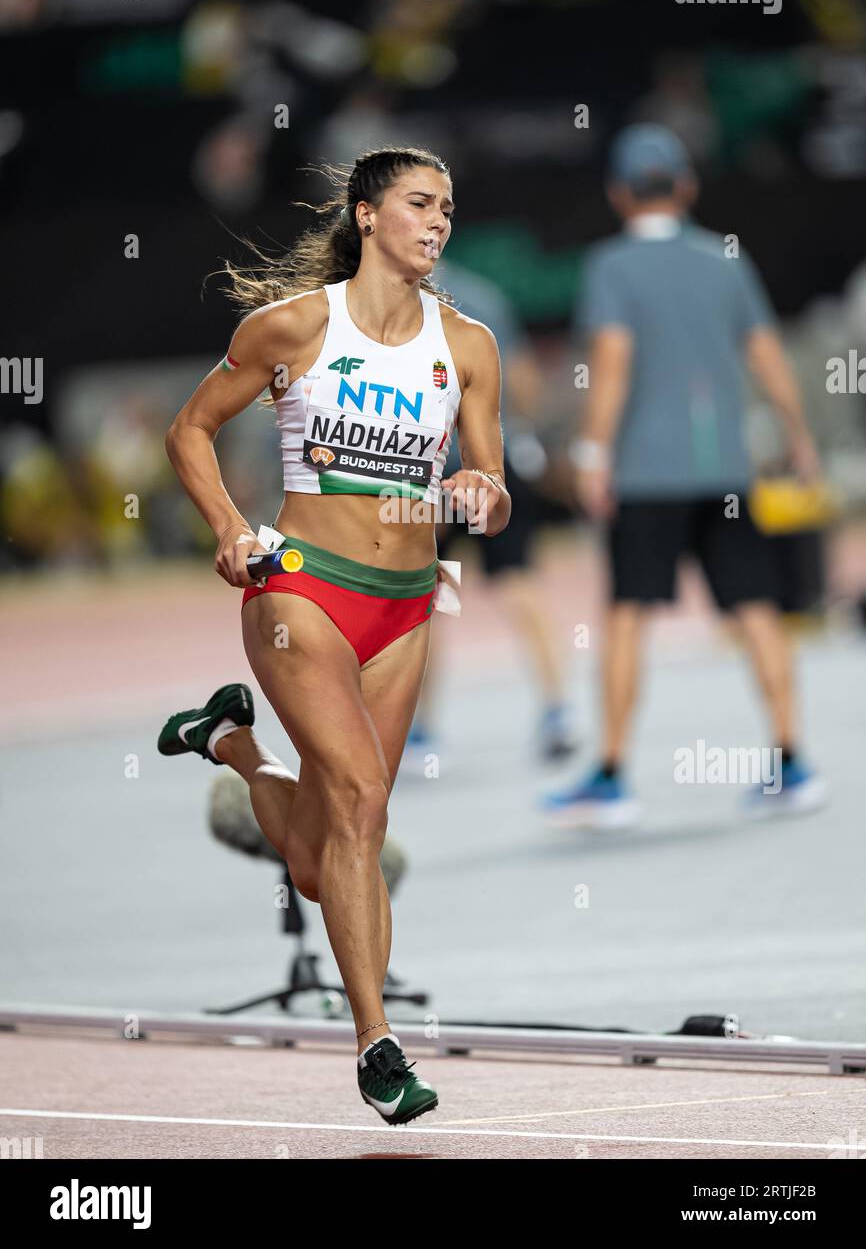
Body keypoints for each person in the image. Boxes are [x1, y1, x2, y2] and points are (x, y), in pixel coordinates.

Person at [157, 146, 511, 1122]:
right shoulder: (292, 328)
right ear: (366, 215)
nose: (435, 221)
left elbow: (489, 479)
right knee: (358, 803)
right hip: (299, 592)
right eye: (415, 204)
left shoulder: (468, 343)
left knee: (321, 860)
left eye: (446, 206)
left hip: (404, 602)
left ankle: (227, 740)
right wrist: (231, 528)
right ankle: (376, 1041)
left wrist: (484, 488)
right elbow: (189, 430)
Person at [543, 124, 827, 828]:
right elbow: (766, 354)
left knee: (628, 615)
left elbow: (611, 368)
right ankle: (792, 759)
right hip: (725, 467)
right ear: (688, 186)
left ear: (618, 193)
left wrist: (591, 455)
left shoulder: (612, 266)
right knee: (755, 606)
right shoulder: (725, 258)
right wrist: (798, 435)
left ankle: (611, 777)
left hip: (645, 473)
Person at [405, 256, 578, 769]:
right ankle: (557, 709)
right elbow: (524, 383)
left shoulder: (380, 300)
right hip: (490, 468)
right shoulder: (483, 295)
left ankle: (419, 731)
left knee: (429, 597)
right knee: (518, 582)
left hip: (424, 473)